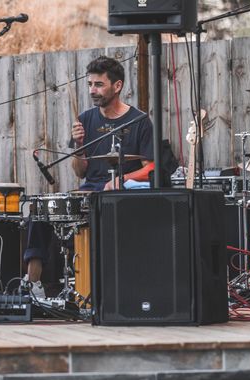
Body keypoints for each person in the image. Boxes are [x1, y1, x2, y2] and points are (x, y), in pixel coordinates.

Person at [23, 55, 154, 296]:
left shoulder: (140, 121)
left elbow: (150, 168)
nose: (93, 90)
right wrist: (80, 145)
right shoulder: (85, 119)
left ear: (117, 86)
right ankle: (34, 284)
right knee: (39, 212)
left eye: (99, 84)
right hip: (90, 191)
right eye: (90, 84)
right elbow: (79, 171)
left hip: (125, 196)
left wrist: (121, 180)